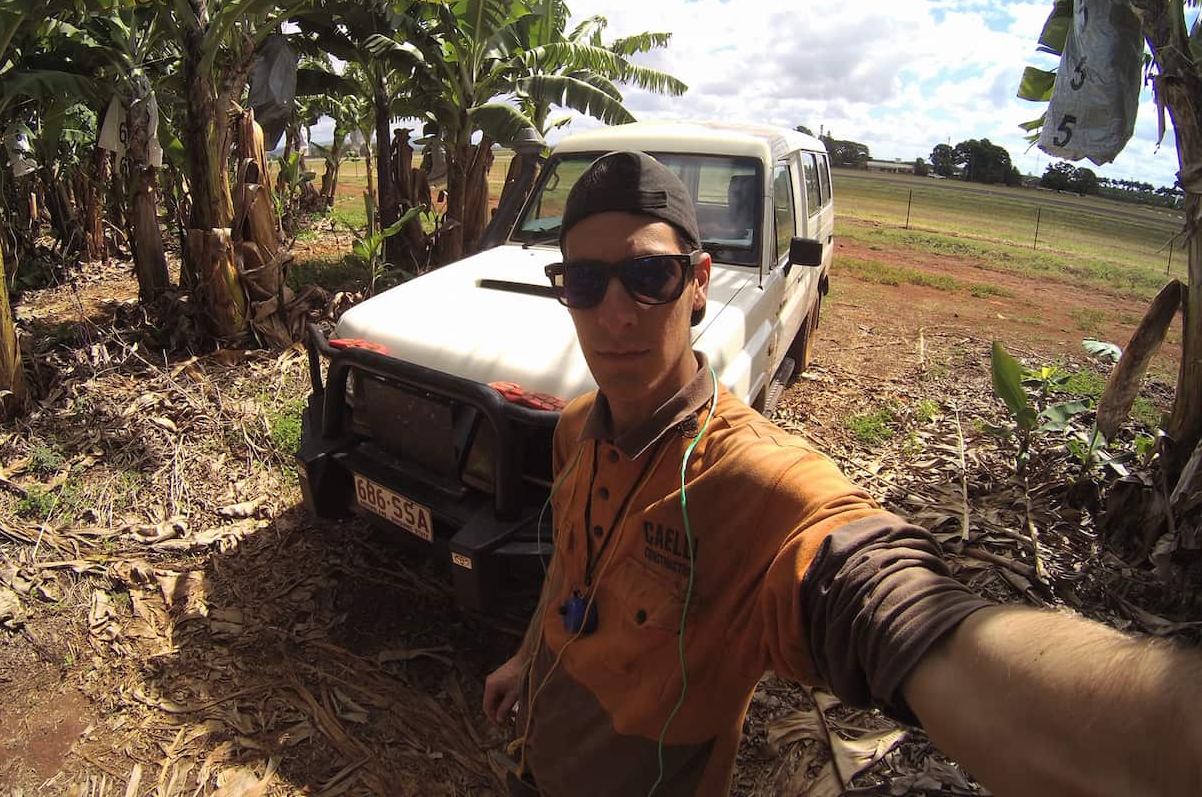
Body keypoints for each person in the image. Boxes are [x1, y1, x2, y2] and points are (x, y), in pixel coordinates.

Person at [482, 150, 1202, 797]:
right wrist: (524, 659)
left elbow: (887, 601)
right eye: (584, 281)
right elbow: (574, 566)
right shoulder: (578, 426)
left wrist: (1160, 737)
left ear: (698, 283)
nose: (614, 315)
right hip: (534, 761)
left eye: (648, 276)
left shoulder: (755, 485)